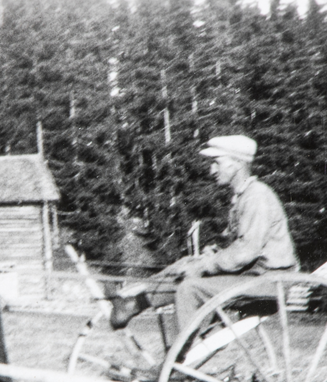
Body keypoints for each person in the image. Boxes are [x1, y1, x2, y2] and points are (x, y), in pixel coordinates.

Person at [110, 134, 299, 331]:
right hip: (253, 275)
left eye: (217, 163)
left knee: (189, 288)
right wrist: (213, 254)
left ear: (236, 163)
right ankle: (132, 303)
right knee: (186, 265)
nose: (212, 170)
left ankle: (180, 357)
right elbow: (236, 243)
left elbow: (245, 252)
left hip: (270, 281)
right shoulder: (242, 197)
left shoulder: (257, 197)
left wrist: (206, 265)